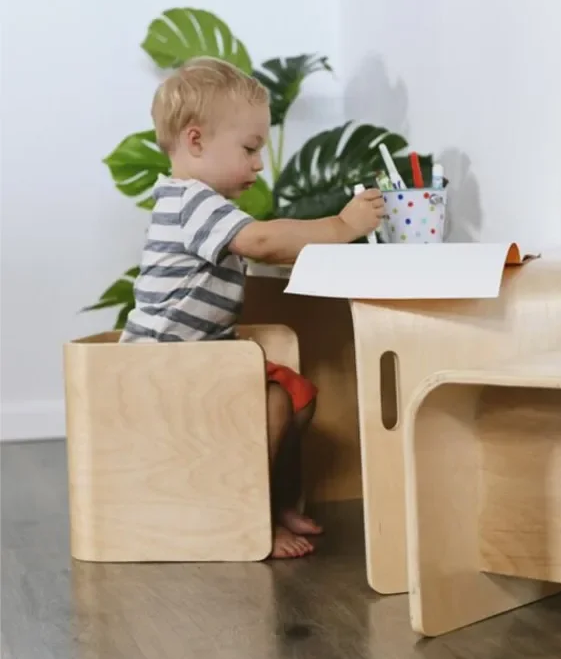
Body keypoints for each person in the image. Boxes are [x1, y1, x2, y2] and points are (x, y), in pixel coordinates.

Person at [120, 56, 385, 559]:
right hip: (163, 364)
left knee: (297, 396)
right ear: (196, 141)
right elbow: (262, 241)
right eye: (249, 149)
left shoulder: (204, 205)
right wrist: (340, 227)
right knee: (274, 403)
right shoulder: (188, 201)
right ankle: (246, 516)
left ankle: (277, 500)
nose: (259, 164)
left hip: (205, 359)